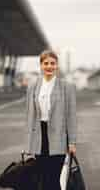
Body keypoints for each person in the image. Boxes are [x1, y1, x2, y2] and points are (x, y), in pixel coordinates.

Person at [25, 49, 77, 190]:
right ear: (41, 65)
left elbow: (71, 117)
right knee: (42, 177)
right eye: (46, 63)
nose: (49, 66)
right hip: (39, 138)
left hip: (58, 137)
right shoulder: (33, 87)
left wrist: (72, 142)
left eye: (52, 63)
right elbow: (30, 116)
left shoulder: (67, 87)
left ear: (57, 65)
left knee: (54, 177)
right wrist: (28, 144)